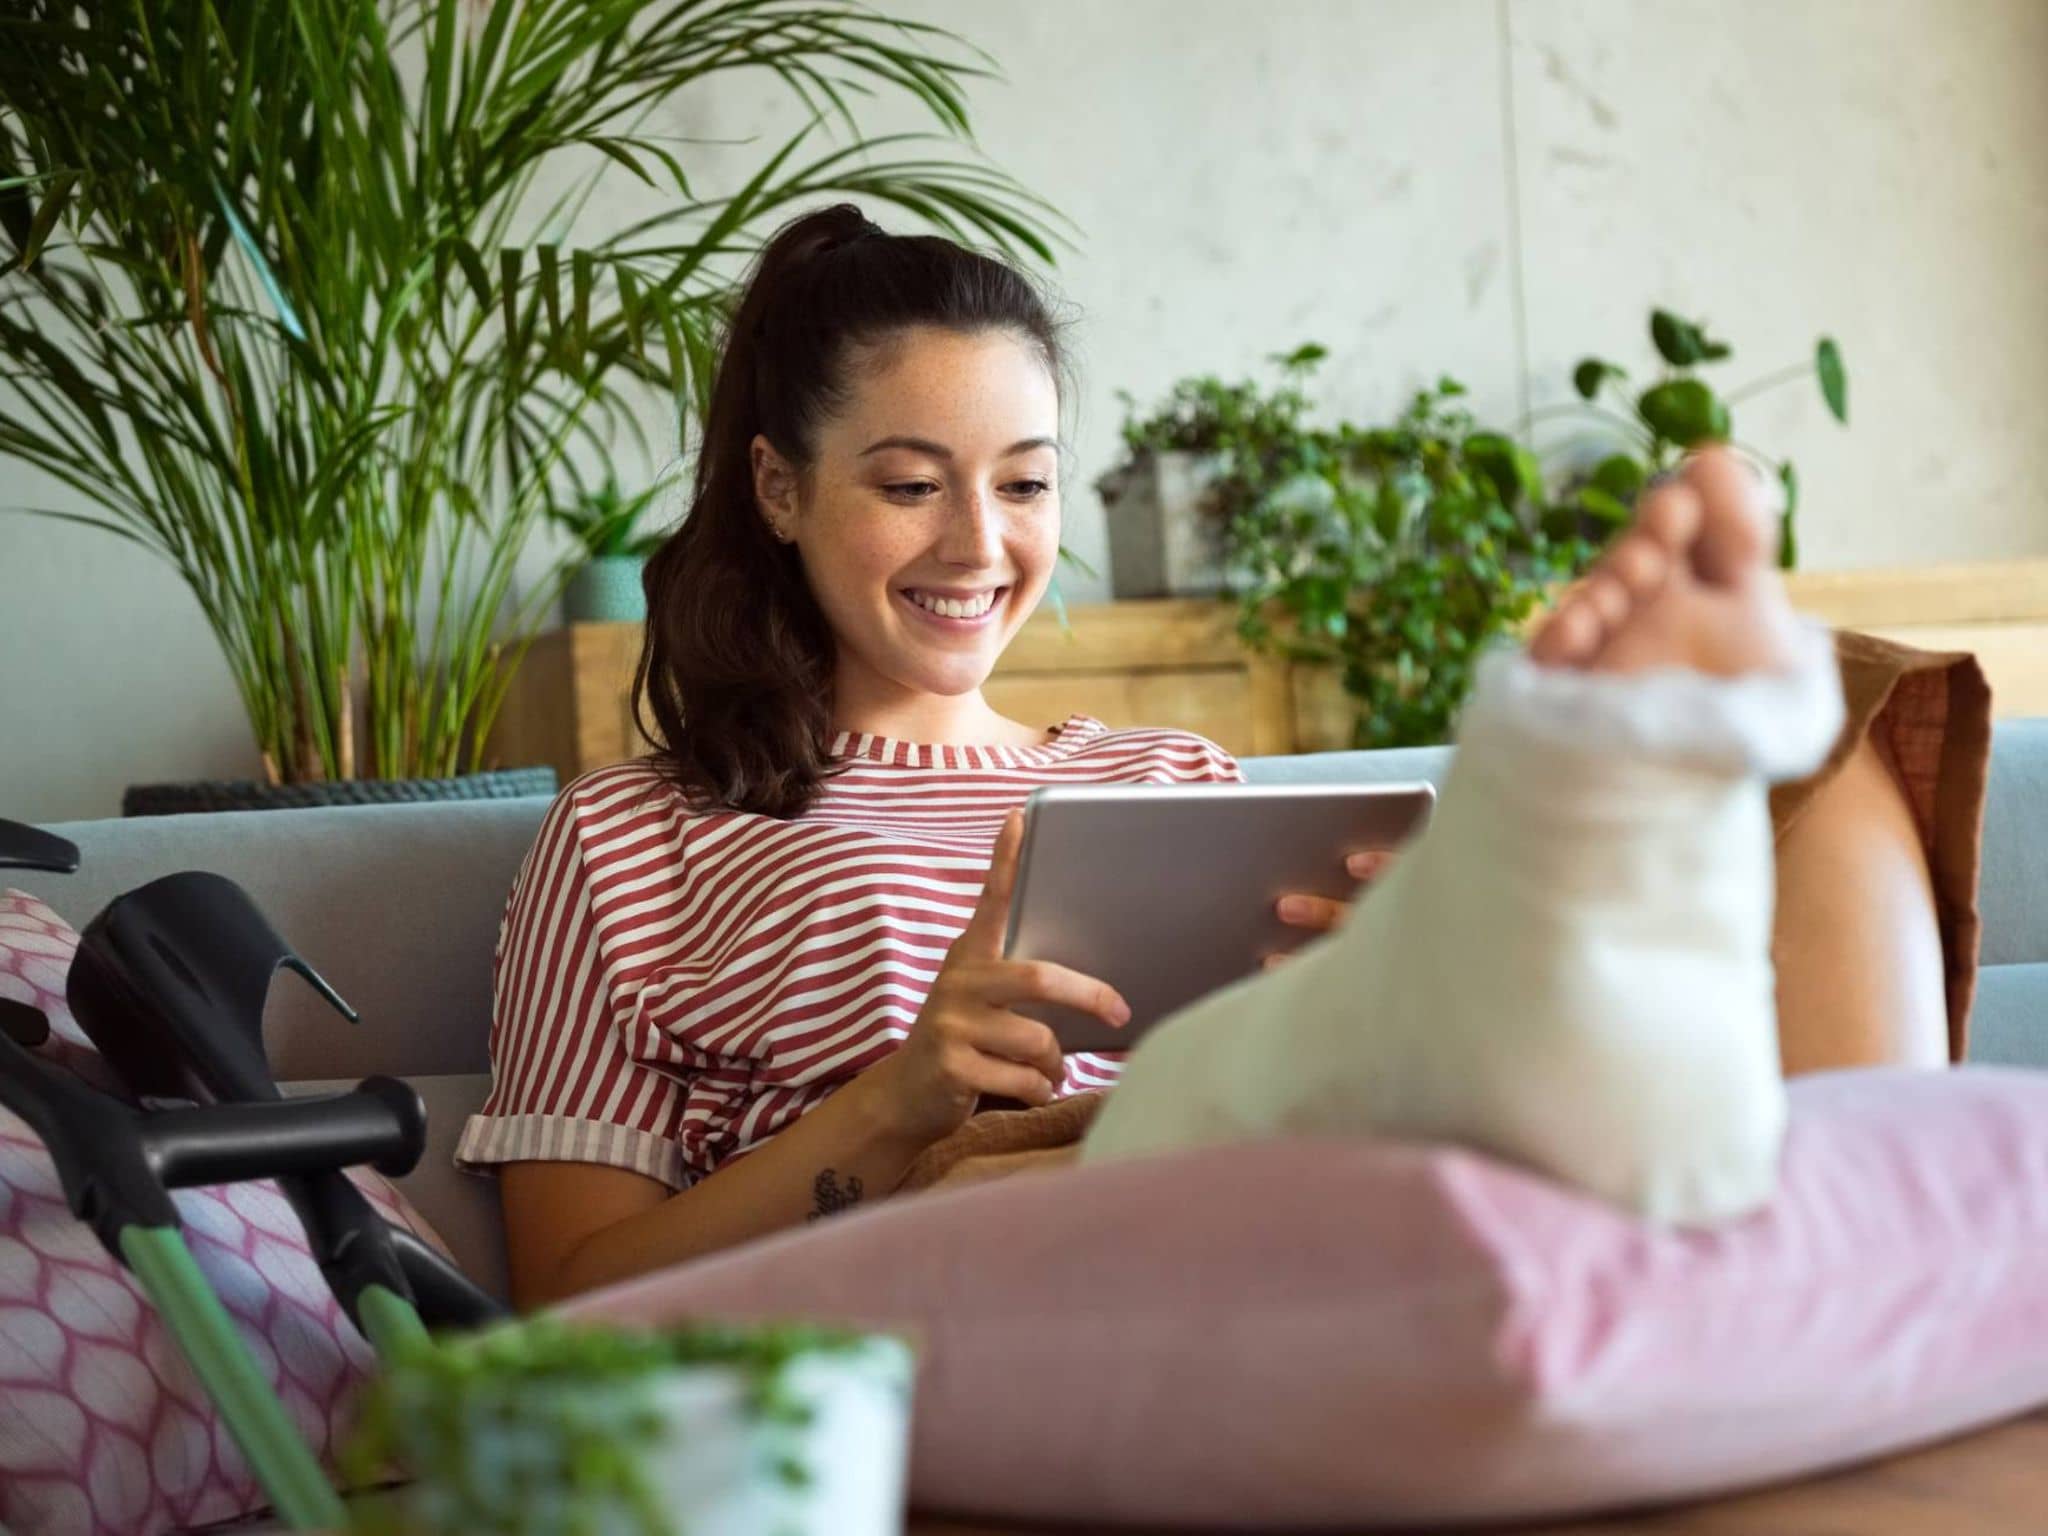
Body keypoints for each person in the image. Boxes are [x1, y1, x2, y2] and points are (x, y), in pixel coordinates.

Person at [456, 204, 1959, 1310]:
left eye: (1027, 486)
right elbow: (557, 1304)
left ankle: (1850, 1268)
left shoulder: (1165, 775)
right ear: (778, 488)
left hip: (1285, 1189)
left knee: (1828, 724)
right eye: (912, 485)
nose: (980, 546)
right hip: (985, 1240)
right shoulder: (635, 837)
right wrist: (892, 1103)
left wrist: (1385, 978)